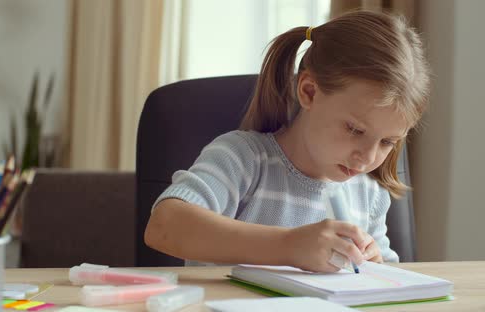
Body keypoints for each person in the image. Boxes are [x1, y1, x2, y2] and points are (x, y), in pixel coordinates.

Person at [144, 10, 430, 273]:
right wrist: (289, 245)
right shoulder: (242, 159)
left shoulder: (369, 195)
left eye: (387, 142)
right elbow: (164, 226)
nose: (367, 158)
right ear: (309, 92)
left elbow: (391, 280)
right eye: (355, 130)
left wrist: (373, 264)